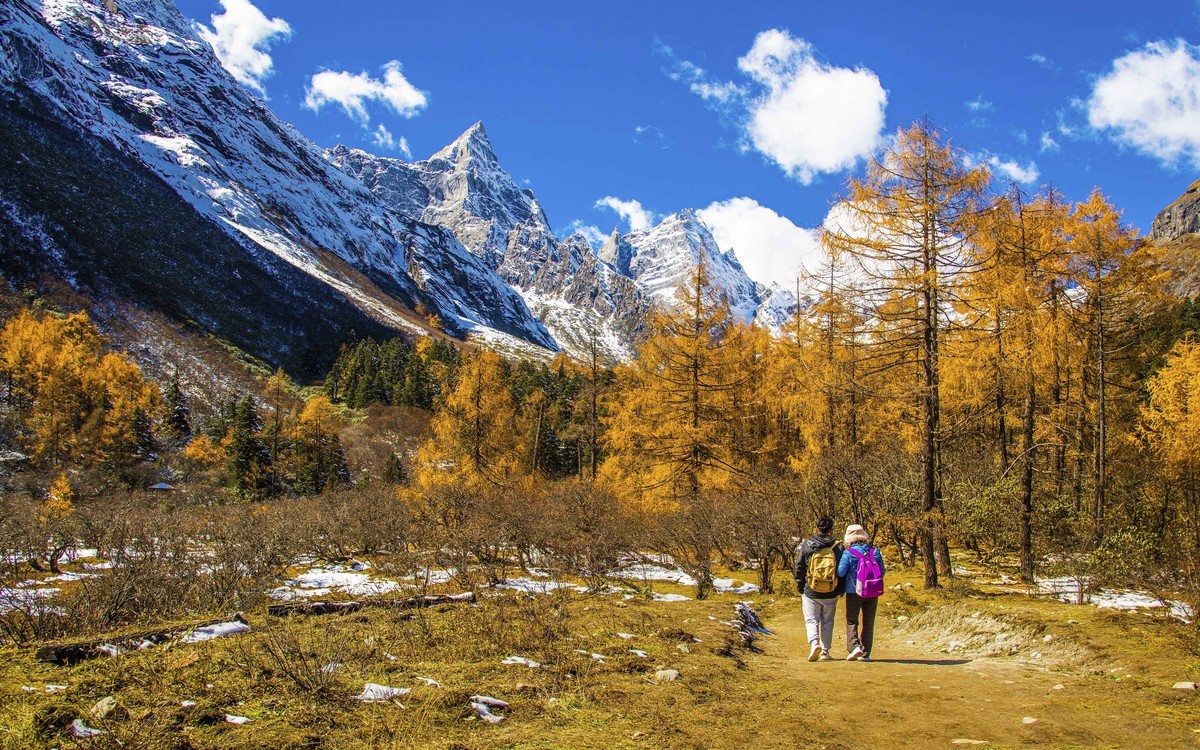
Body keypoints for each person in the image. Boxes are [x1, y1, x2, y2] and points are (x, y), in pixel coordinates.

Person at [793, 517, 844, 661]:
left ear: (816, 529)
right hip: (831, 590)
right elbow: (841, 570)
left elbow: (799, 567)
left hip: (811, 590)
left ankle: (814, 643)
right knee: (828, 621)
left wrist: (800, 585)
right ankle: (825, 651)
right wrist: (840, 589)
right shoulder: (838, 546)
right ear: (831, 530)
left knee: (811, 620)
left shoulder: (808, 545)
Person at [837, 524, 885, 661]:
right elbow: (882, 572)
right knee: (869, 621)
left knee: (852, 620)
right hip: (873, 591)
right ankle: (866, 653)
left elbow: (840, 572)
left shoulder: (849, 553)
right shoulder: (874, 552)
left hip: (854, 591)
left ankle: (854, 647)